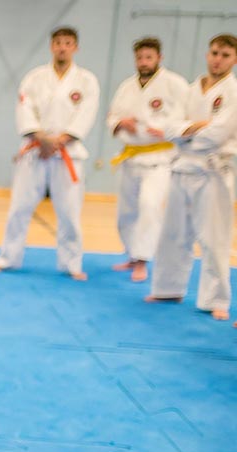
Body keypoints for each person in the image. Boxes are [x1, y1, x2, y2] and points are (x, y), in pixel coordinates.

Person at [0, 27, 99, 280]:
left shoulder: (86, 80)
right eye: (58, 43)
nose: (62, 47)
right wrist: (42, 138)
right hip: (35, 151)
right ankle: (8, 259)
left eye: (68, 43)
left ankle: (71, 264)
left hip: (69, 152)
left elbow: (86, 114)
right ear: (51, 46)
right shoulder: (34, 78)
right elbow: (24, 110)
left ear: (75, 47)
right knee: (19, 207)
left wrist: (60, 140)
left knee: (69, 212)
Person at [146, 33, 237, 322]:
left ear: (234, 59)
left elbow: (218, 134)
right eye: (214, 53)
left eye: (225, 55)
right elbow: (169, 127)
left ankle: (216, 299)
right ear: (207, 55)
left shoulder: (233, 92)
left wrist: (186, 131)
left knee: (213, 238)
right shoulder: (189, 89)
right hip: (181, 167)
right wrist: (195, 127)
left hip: (212, 171)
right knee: (173, 232)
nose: (218, 59)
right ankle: (167, 288)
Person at [106, 37, 189, 282]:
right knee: (126, 211)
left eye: (149, 57)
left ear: (159, 58)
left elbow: (186, 117)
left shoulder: (175, 84)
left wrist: (166, 129)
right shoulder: (126, 87)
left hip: (159, 158)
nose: (144, 62)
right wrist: (121, 122)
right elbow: (112, 116)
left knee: (150, 206)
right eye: (140, 58)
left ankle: (143, 260)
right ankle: (132, 254)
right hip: (130, 157)